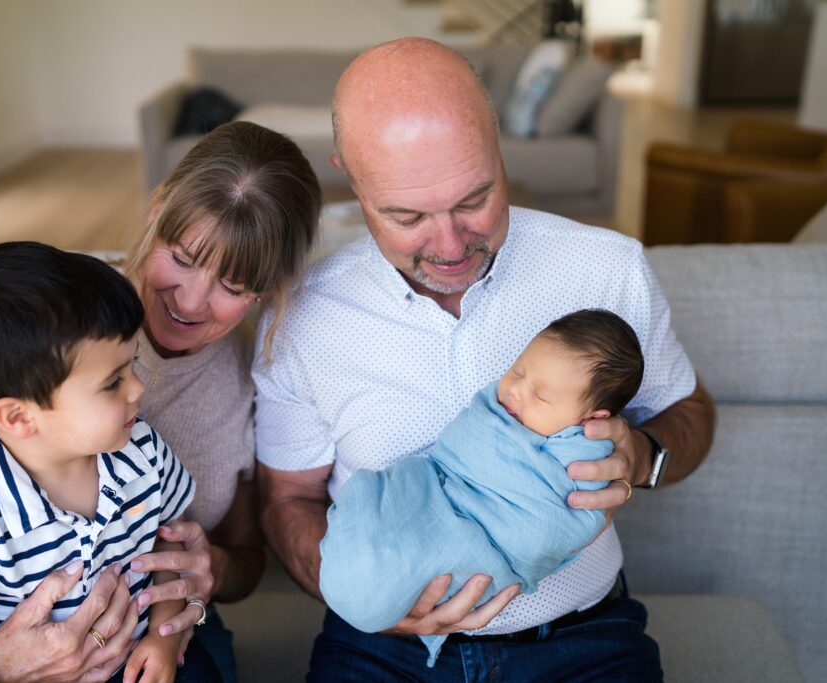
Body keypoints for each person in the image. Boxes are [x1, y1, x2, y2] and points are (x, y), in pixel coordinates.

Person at [254, 38, 716, 681]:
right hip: (382, 648)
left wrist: (643, 455)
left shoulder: (606, 268)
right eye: (406, 215)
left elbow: (688, 409)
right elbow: (287, 502)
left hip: (583, 638)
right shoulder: (303, 315)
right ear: (350, 177)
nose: (449, 246)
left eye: (474, 199)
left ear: (499, 145)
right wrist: (378, 603)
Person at [0, 120, 321, 683]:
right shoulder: (43, 326)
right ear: (157, 211)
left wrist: (205, 573)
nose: (193, 302)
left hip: (159, 642)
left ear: (267, 291)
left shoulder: (253, 374)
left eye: (235, 287)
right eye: (183, 257)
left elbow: (243, 555)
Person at [0, 242, 195, 683]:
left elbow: (170, 541)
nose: (137, 390)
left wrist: (165, 638)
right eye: (112, 382)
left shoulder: (141, 449)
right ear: (19, 417)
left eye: (132, 365)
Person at [319, 309, 644, 665]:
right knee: (386, 514)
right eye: (517, 370)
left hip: (579, 629)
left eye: (542, 395)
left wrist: (642, 455)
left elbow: (551, 530)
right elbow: (457, 449)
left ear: (593, 418)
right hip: (392, 634)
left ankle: (376, 579)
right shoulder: (498, 408)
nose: (516, 390)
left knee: (398, 571)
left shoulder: (583, 452)